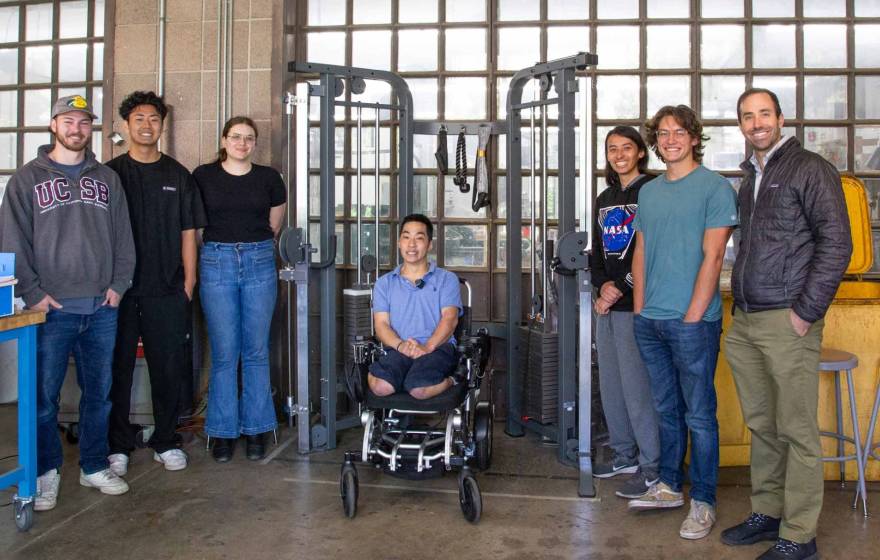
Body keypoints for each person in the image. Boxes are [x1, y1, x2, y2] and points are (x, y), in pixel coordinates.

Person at [721, 89, 851, 560]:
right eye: (747, 116)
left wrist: (805, 313)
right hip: (748, 318)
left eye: (764, 114)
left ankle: (799, 534)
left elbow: (837, 244)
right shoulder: (750, 175)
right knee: (763, 424)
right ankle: (768, 512)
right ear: (740, 124)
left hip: (787, 319)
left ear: (780, 118)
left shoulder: (809, 168)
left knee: (795, 430)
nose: (756, 123)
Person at [0, 95, 136, 510]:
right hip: (50, 310)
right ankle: (46, 472)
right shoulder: (27, 179)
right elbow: (12, 240)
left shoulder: (108, 179)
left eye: (84, 122)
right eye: (69, 121)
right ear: (54, 126)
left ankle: (94, 465)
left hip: (101, 307)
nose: (77, 129)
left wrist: (119, 283)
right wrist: (34, 292)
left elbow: (123, 237)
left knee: (101, 393)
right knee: (43, 398)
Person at [627, 105, 738, 541]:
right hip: (650, 320)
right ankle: (670, 486)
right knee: (666, 412)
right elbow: (641, 250)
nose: (670, 139)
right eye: (663, 133)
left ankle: (704, 500)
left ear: (694, 138)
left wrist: (693, 316)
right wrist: (639, 310)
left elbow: (714, 256)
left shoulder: (714, 188)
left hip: (693, 323)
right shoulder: (650, 192)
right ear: (656, 142)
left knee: (700, 415)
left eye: (679, 132)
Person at [106, 91, 206, 476]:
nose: (147, 125)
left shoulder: (177, 175)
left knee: (168, 367)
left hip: (167, 289)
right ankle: (118, 444)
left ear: (162, 126)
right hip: (121, 290)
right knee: (119, 369)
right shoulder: (111, 175)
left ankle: (165, 439)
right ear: (126, 125)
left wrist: (188, 283)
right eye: (139, 119)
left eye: (154, 119)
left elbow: (188, 232)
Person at [194, 116, 286, 463]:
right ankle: (222, 431)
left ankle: (256, 429)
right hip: (217, 260)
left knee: (256, 350)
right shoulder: (203, 176)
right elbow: (197, 226)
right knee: (223, 353)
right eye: (236, 137)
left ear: (255, 143)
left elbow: (274, 223)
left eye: (249, 138)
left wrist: (249, 246)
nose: (242, 143)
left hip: (259, 259)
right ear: (224, 140)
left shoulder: (268, 178)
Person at [590, 126, 661, 500]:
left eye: (626, 148)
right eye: (612, 149)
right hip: (607, 305)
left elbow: (652, 249)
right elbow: (597, 252)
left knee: (637, 389)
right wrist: (602, 286)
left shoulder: (651, 191)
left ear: (640, 153)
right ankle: (624, 456)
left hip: (636, 305)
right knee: (611, 386)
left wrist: (622, 287)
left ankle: (651, 466)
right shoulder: (604, 198)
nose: (619, 154)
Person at [367, 214, 462, 400]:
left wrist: (427, 347)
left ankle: (453, 379)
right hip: (398, 348)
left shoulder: (446, 279)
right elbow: (381, 325)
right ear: (399, 242)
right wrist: (401, 345)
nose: (412, 245)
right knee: (380, 387)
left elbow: (450, 319)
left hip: (436, 348)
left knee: (419, 390)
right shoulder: (384, 283)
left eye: (419, 238)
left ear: (429, 244)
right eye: (406, 237)